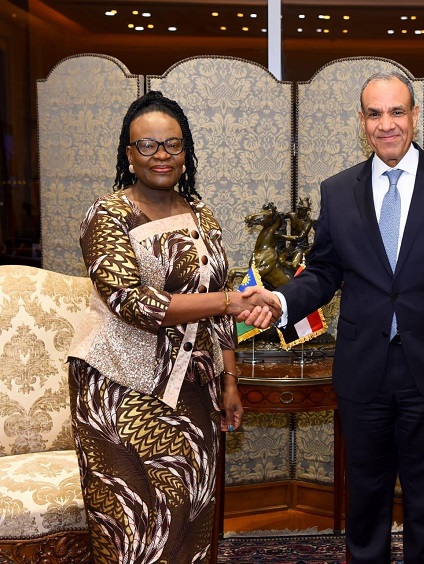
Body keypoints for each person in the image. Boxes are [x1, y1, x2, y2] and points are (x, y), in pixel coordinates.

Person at [240, 71, 424, 563]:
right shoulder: (338, 191)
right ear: (361, 121)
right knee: (365, 503)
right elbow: (324, 272)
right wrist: (279, 301)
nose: (387, 124)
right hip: (364, 371)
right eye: (375, 114)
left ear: (415, 116)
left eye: (397, 111)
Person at [67, 91, 276, 563]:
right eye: (147, 145)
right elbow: (132, 302)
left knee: (189, 517)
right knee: (134, 528)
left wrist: (230, 381)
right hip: (119, 392)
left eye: (172, 144)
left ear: (186, 152)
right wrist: (227, 300)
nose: (160, 155)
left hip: (194, 388)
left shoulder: (202, 214)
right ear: (129, 154)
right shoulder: (107, 215)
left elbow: (220, 301)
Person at [277, 197, 314, 272]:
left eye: (305, 210)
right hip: (291, 247)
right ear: (298, 209)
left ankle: (304, 276)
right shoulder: (292, 215)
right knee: (280, 260)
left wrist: (282, 236)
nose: (303, 212)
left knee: (294, 265)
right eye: (301, 209)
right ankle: (290, 275)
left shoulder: (307, 223)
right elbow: (280, 217)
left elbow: (299, 237)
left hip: (301, 247)